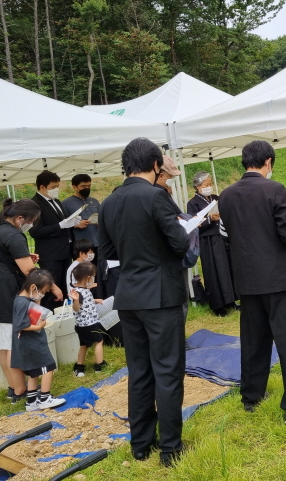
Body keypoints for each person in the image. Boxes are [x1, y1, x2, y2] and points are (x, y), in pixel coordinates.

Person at [98, 137, 192, 468]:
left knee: (139, 371)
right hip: (161, 295)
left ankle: (140, 444)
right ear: (155, 165)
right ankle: (170, 449)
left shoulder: (109, 202)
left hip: (128, 296)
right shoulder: (155, 196)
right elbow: (180, 243)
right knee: (167, 371)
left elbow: (108, 252)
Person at [219, 140, 286, 424]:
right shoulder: (275, 189)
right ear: (268, 162)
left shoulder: (226, 195)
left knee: (253, 340)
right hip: (276, 277)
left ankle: (251, 397)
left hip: (246, 278)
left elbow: (226, 236)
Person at [0, 198, 54, 403]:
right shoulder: (13, 235)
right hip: (6, 293)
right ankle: (21, 390)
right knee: (12, 344)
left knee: (3, 345)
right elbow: (30, 271)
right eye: (31, 221)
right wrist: (52, 285)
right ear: (20, 218)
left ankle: (13, 387)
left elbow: (3, 257)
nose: (31, 225)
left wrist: (24, 255)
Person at [11, 268, 66, 411]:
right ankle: (45, 398)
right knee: (48, 367)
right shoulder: (23, 303)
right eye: (43, 291)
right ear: (33, 287)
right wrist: (39, 326)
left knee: (34, 373)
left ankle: (32, 401)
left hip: (30, 343)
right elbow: (21, 325)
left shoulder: (23, 299)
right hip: (33, 344)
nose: (43, 294)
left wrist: (38, 299)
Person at [187, 171, 237, 317]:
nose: (209, 187)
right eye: (205, 185)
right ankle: (218, 305)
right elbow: (193, 224)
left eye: (210, 184)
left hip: (222, 236)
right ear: (198, 186)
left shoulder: (216, 198)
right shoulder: (193, 203)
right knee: (213, 271)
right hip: (207, 240)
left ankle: (231, 300)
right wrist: (210, 219)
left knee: (228, 268)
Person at [29, 170, 79, 309]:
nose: (56, 189)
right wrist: (60, 226)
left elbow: (63, 222)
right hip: (50, 254)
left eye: (57, 186)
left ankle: (65, 312)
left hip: (64, 251)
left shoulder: (56, 201)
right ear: (42, 187)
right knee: (51, 288)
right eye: (53, 187)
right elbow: (36, 231)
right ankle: (49, 314)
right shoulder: (35, 204)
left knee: (65, 285)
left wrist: (72, 222)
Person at [69, 262, 107, 377]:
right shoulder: (78, 293)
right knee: (99, 341)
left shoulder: (82, 289)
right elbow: (76, 308)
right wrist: (76, 301)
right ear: (88, 278)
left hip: (81, 325)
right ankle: (99, 365)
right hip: (89, 324)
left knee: (83, 345)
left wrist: (95, 300)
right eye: (93, 276)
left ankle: (79, 367)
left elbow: (85, 301)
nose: (94, 279)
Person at [62, 174, 101, 254]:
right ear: (74, 187)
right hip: (80, 245)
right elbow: (63, 224)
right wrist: (75, 225)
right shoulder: (66, 203)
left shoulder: (94, 201)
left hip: (98, 243)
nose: (87, 188)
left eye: (89, 186)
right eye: (83, 186)